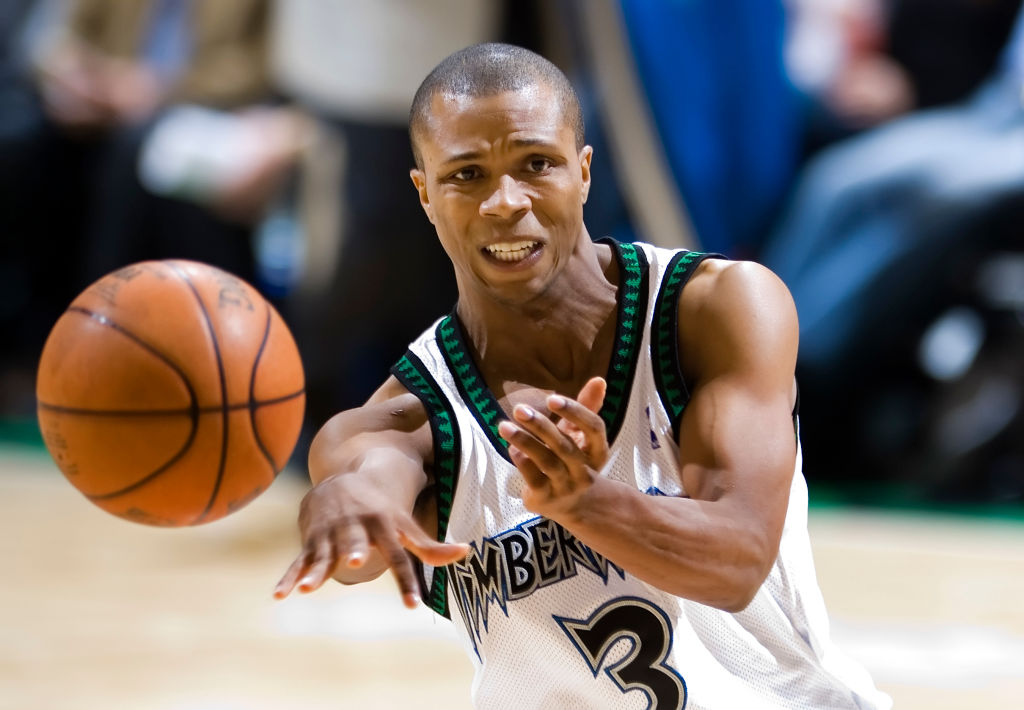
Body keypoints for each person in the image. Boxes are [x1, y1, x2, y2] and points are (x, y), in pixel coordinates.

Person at [274, 43, 890, 710]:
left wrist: (588, 504)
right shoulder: (406, 419)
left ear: (584, 169)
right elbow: (365, 508)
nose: (505, 202)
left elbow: (738, 561)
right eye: (467, 175)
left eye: (535, 164)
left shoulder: (711, 311)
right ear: (425, 193)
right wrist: (341, 503)